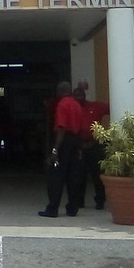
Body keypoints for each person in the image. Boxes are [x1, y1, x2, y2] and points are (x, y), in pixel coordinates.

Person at [40, 81, 85, 218]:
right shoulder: (77, 105)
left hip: (63, 142)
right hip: (75, 141)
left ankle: (52, 208)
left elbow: (61, 128)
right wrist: (79, 147)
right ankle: (72, 208)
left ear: (60, 91)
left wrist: (55, 151)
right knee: (73, 177)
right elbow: (81, 128)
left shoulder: (62, 104)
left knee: (55, 176)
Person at [73, 86, 110, 210]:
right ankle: (79, 201)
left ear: (84, 96)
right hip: (79, 145)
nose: (78, 98)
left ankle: (100, 201)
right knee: (79, 176)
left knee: (98, 175)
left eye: (80, 95)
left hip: (95, 145)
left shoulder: (95, 106)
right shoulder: (72, 109)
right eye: (76, 96)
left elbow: (115, 107)